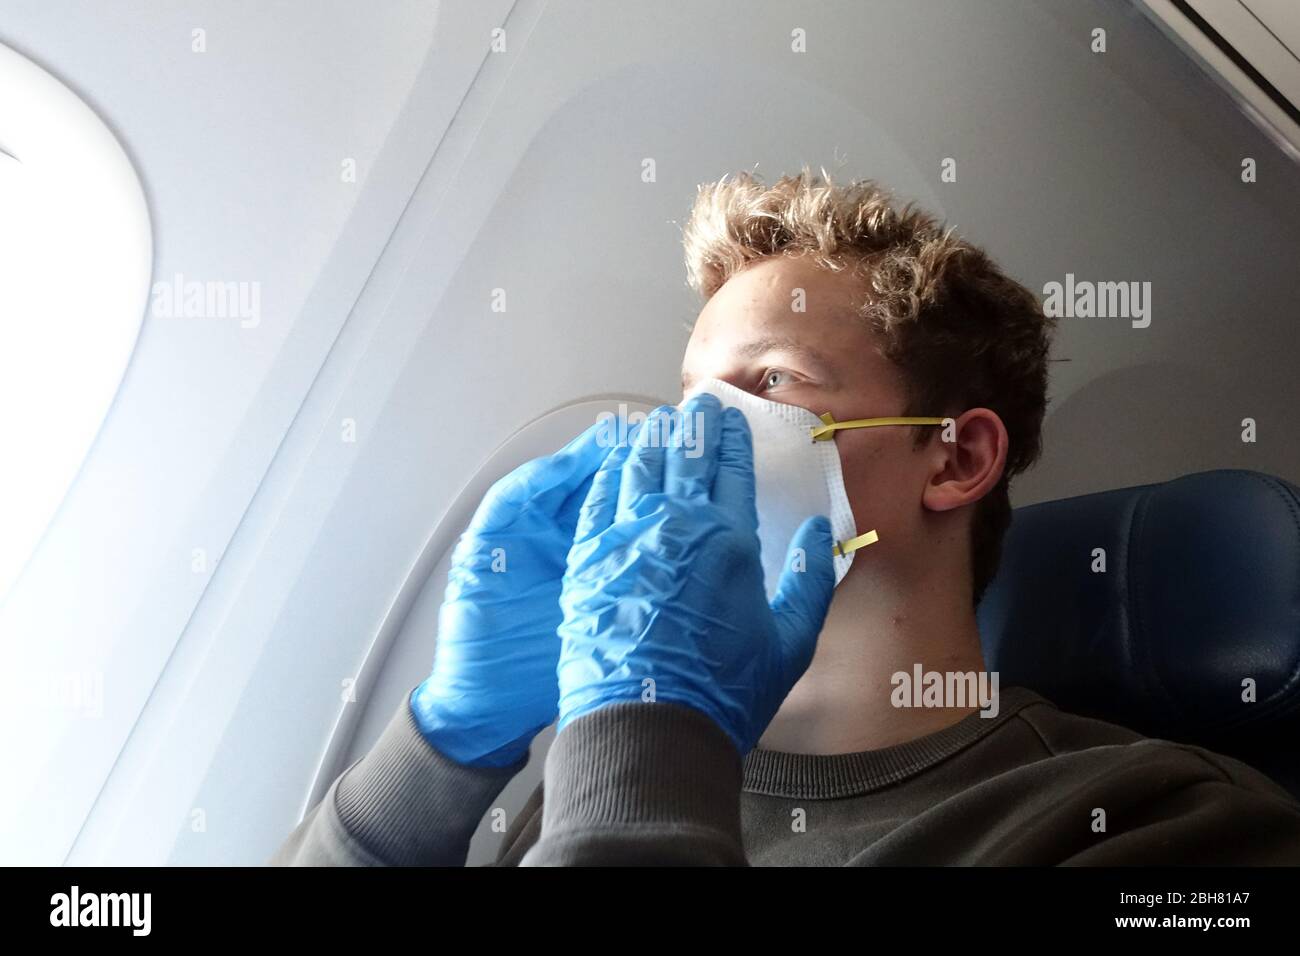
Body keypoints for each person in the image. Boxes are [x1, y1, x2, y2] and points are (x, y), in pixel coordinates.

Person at [271, 169, 1300, 866]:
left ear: (954, 455)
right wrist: (443, 745)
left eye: (771, 380)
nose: (692, 436)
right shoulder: (587, 760)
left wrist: (643, 763)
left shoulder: (1164, 824)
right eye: (689, 397)